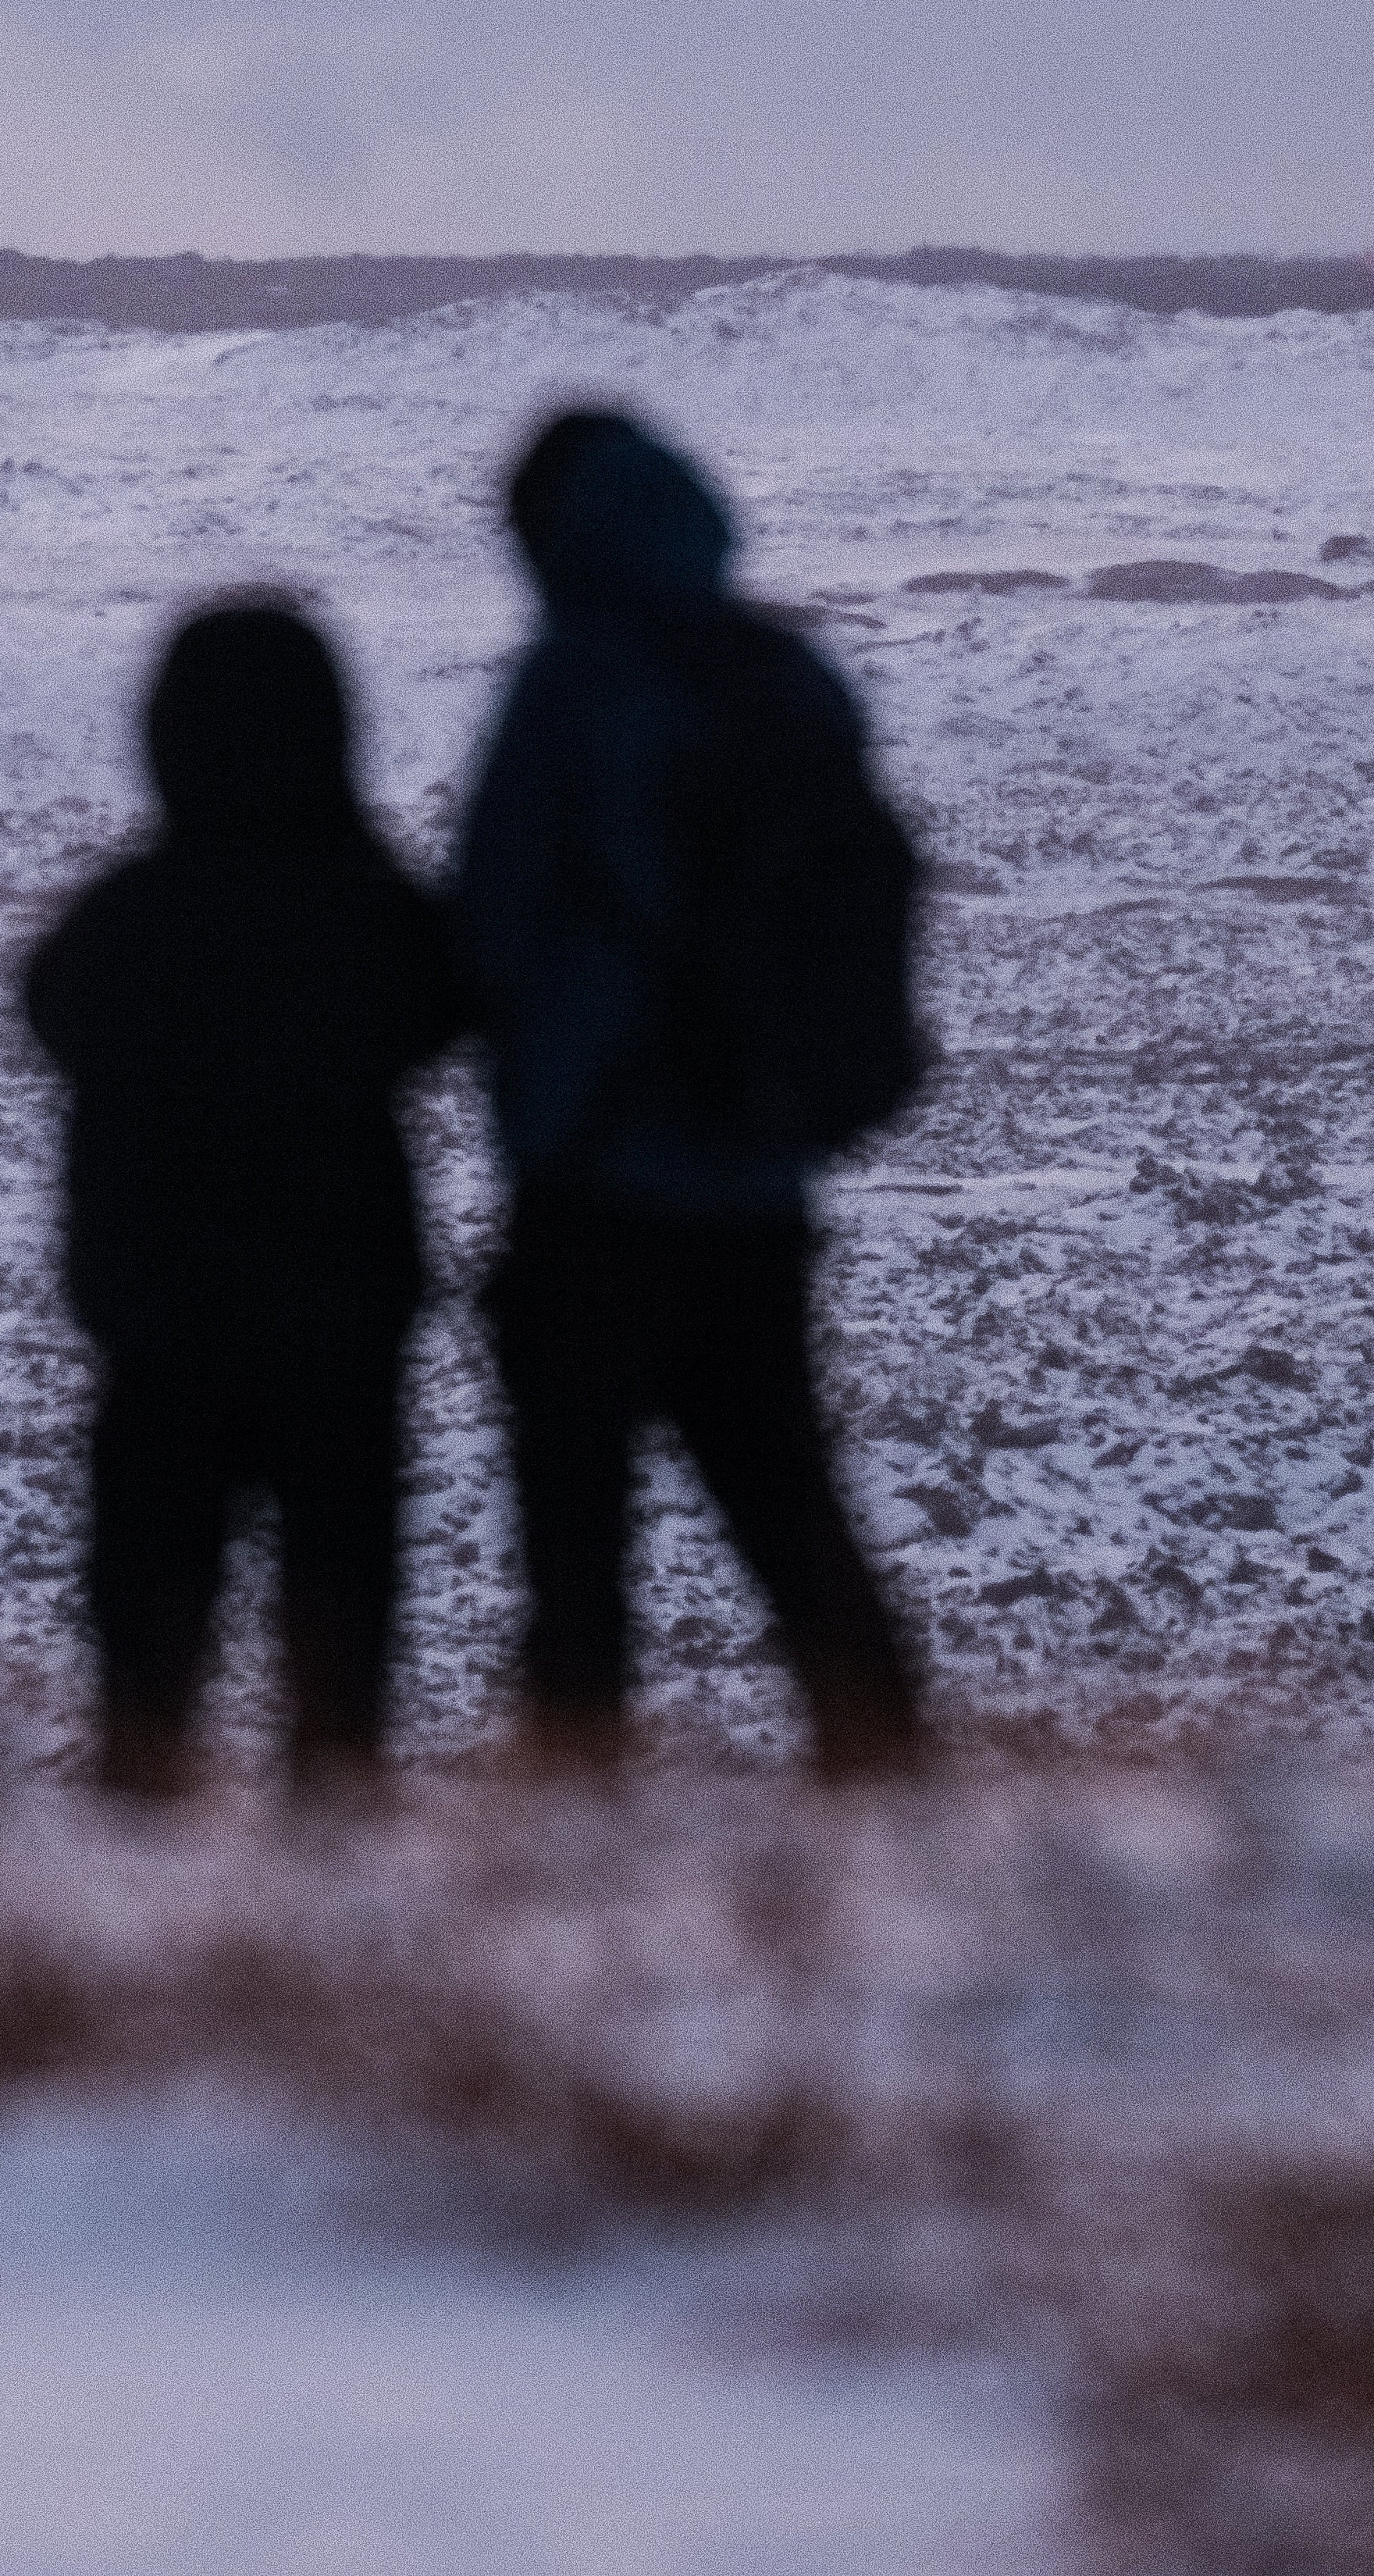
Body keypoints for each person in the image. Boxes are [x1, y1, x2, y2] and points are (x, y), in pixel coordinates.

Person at [452, 404, 933, 1780]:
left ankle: (575, 1822)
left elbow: (492, 923)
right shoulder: (794, 678)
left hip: (593, 1177)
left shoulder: (572, 686)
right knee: (793, 1513)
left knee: (576, 1548)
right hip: (763, 1174)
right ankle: (893, 1795)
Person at [20, 600, 465, 1798]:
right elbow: (445, 1002)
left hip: (160, 1333)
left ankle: (141, 1870)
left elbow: (48, 1006)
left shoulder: (128, 918)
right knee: (343, 1637)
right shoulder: (366, 911)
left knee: (150, 1646)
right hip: (340, 1327)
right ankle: (333, 1875)